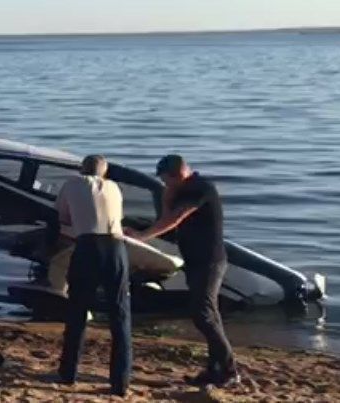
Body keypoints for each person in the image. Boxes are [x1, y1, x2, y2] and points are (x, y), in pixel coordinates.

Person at [129, 154, 239, 388]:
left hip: (210, 260)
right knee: (208, 315)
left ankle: (229, 370)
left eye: (167, 181)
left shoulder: (201, 188)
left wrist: (142, 236)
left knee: (203, 314)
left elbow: (177, 218)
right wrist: (167, 195)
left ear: (178, 175)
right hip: (194, 260)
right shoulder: (181, 190)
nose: (165, 185)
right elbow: (166, 216)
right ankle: (215, 370)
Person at [55, 154, 132, 396]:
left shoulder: (71, 184)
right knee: (120, 314)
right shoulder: (114, 188)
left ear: (81, 169)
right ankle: (120, 382)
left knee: (77, 309)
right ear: (105, 171)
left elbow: (63, 217)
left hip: (87, 246)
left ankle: (68, 373)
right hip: (116, 248)